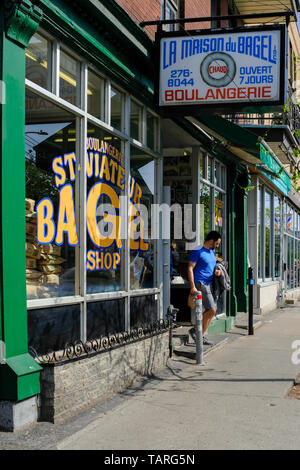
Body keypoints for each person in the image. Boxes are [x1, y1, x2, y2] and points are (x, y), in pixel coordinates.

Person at [187, 231, 222, 346]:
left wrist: (216, 272)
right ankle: (196, 331)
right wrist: (192, 286)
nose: (217, 246)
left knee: (210, 311)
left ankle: (201, 334)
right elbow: (190, 268)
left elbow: (210, 266)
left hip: (209, 283)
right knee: (212, 309)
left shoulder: (212, 252)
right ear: (211, 241)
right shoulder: (198, 251)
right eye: (217, 243)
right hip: (200, 283)